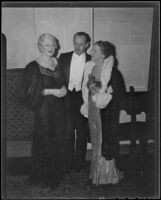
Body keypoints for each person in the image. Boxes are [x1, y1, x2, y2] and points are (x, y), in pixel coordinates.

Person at [19, 33, 67, 190]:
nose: (51, 48)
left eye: (53, 44)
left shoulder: (58, 62)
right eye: (47, 45)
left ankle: (54, 176)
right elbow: (28, 93)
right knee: (45, 141)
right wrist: (53, 92)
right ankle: (43, 176)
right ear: (39, 46)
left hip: (59, 108)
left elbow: (63, 83)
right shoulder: (33, 66)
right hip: (44, 109)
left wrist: (64, 90)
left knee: (58, 140)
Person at [81, 41, 126, 186]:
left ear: (103, 55)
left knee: (103, 140)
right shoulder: (92, 68)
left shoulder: (113, 72)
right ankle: (96, 174)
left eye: (94, 51)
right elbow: (90, 88)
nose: (91, 53)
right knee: (95, 139)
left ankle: (106, 176)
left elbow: (119, 95)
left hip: (106, 113)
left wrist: (107, 95)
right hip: (93, 109)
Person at [59, 32, 91, 174]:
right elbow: (59, 77)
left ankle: (79, 164)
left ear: (87, 45)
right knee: (68, 132)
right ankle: (67, 164)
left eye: (81, 43)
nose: (78, 46)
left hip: (83, 98)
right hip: (67, 97)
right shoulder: (64, 57)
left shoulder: (91, 60)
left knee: (82, 133)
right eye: (75, 43)